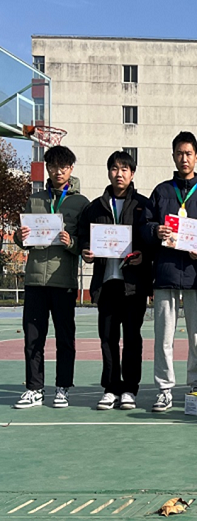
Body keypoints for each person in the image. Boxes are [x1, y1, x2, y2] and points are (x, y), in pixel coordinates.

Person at [141, 131, 197, 412]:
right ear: (173, 156)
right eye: (179, 153)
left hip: (196, 275)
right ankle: (164, 390)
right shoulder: (161, 191)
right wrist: (155, 230)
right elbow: (144, 226)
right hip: (165, 273)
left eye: (189, 153)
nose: (184, 158)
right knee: (164, 337)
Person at [13, 146, 89, 409]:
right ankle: (34, 388)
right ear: (47, 168)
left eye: (63, 166)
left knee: (65, 338)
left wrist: (72, 242)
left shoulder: (81, 203)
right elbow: (22, 238)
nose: (58, 171)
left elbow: (86, 244)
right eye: (53, 166)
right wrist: (19, 238)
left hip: (63, 280)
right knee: (33, 338)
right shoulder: (35, 200)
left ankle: (62, 388)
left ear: (71, 169)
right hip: (35, 280)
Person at [78, 150, 152, 410]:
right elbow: (83, 237)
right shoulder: (95, 207)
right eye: (114, 169)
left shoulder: (143, 205)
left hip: (133, 284)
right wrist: (85, 251)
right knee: (108, 338)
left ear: (132, 173)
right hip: (106, 282)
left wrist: (143, 257)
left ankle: (130, 388)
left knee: (132, 337)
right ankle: (110, 388)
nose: (119, 174)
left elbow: (150, 241)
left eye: (124, 169)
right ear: (108, 172)